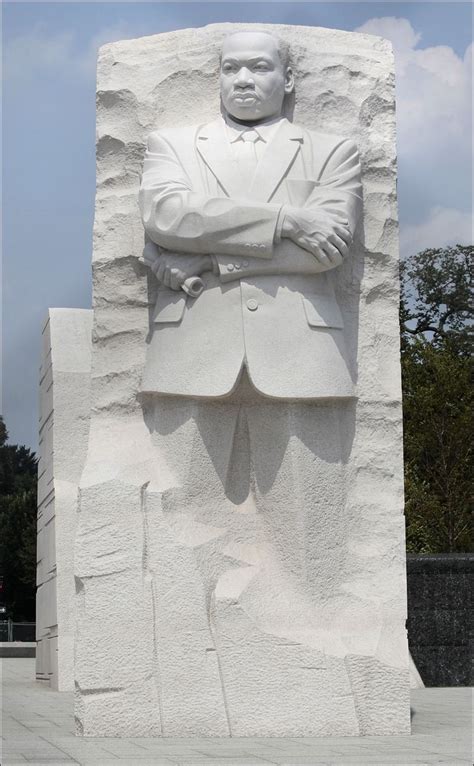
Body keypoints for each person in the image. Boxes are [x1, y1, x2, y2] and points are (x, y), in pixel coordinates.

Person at [137, 30, 365, 734]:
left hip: (301, 352)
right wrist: (283, 221)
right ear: (217, 77)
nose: (243, 79)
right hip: (192, 354)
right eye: (230, 67)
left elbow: (328, 250)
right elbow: (165, 216)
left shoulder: (332, 151)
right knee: (181, 524)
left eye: (259, 67)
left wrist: (224, 257)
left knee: (308, 528)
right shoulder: (175, 145)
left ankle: (316, 677)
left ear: (287, 77)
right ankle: (174, 674)